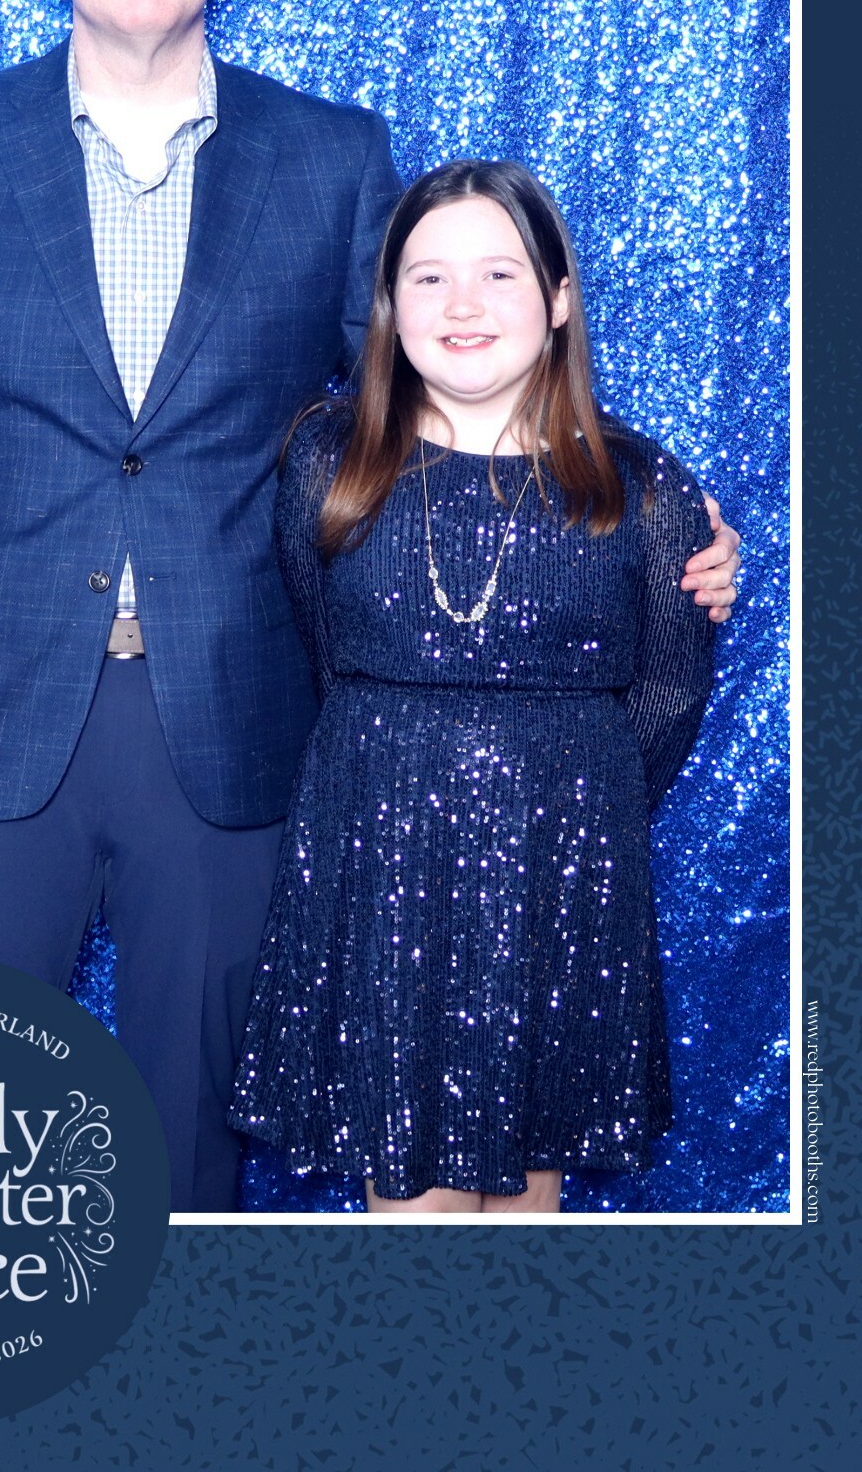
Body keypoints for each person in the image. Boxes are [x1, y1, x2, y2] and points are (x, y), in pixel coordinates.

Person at [0, 0, 741, 1215]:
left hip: (235, 729)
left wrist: (642, 507)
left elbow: (443, 366)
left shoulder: (329, 154)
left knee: (189, 1141)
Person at [230, 160, 720, 1214]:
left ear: (558, 299)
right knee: (410, 1198)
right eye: (428, 278)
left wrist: (570, 804)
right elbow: (320, 656)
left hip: (562, 876)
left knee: (531, 1192)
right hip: (380, 870)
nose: (462, 306)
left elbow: (671, 693)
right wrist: (400, 776)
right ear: (388, 305)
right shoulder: (326, 464)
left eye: (499, 275)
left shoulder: (641, 487)